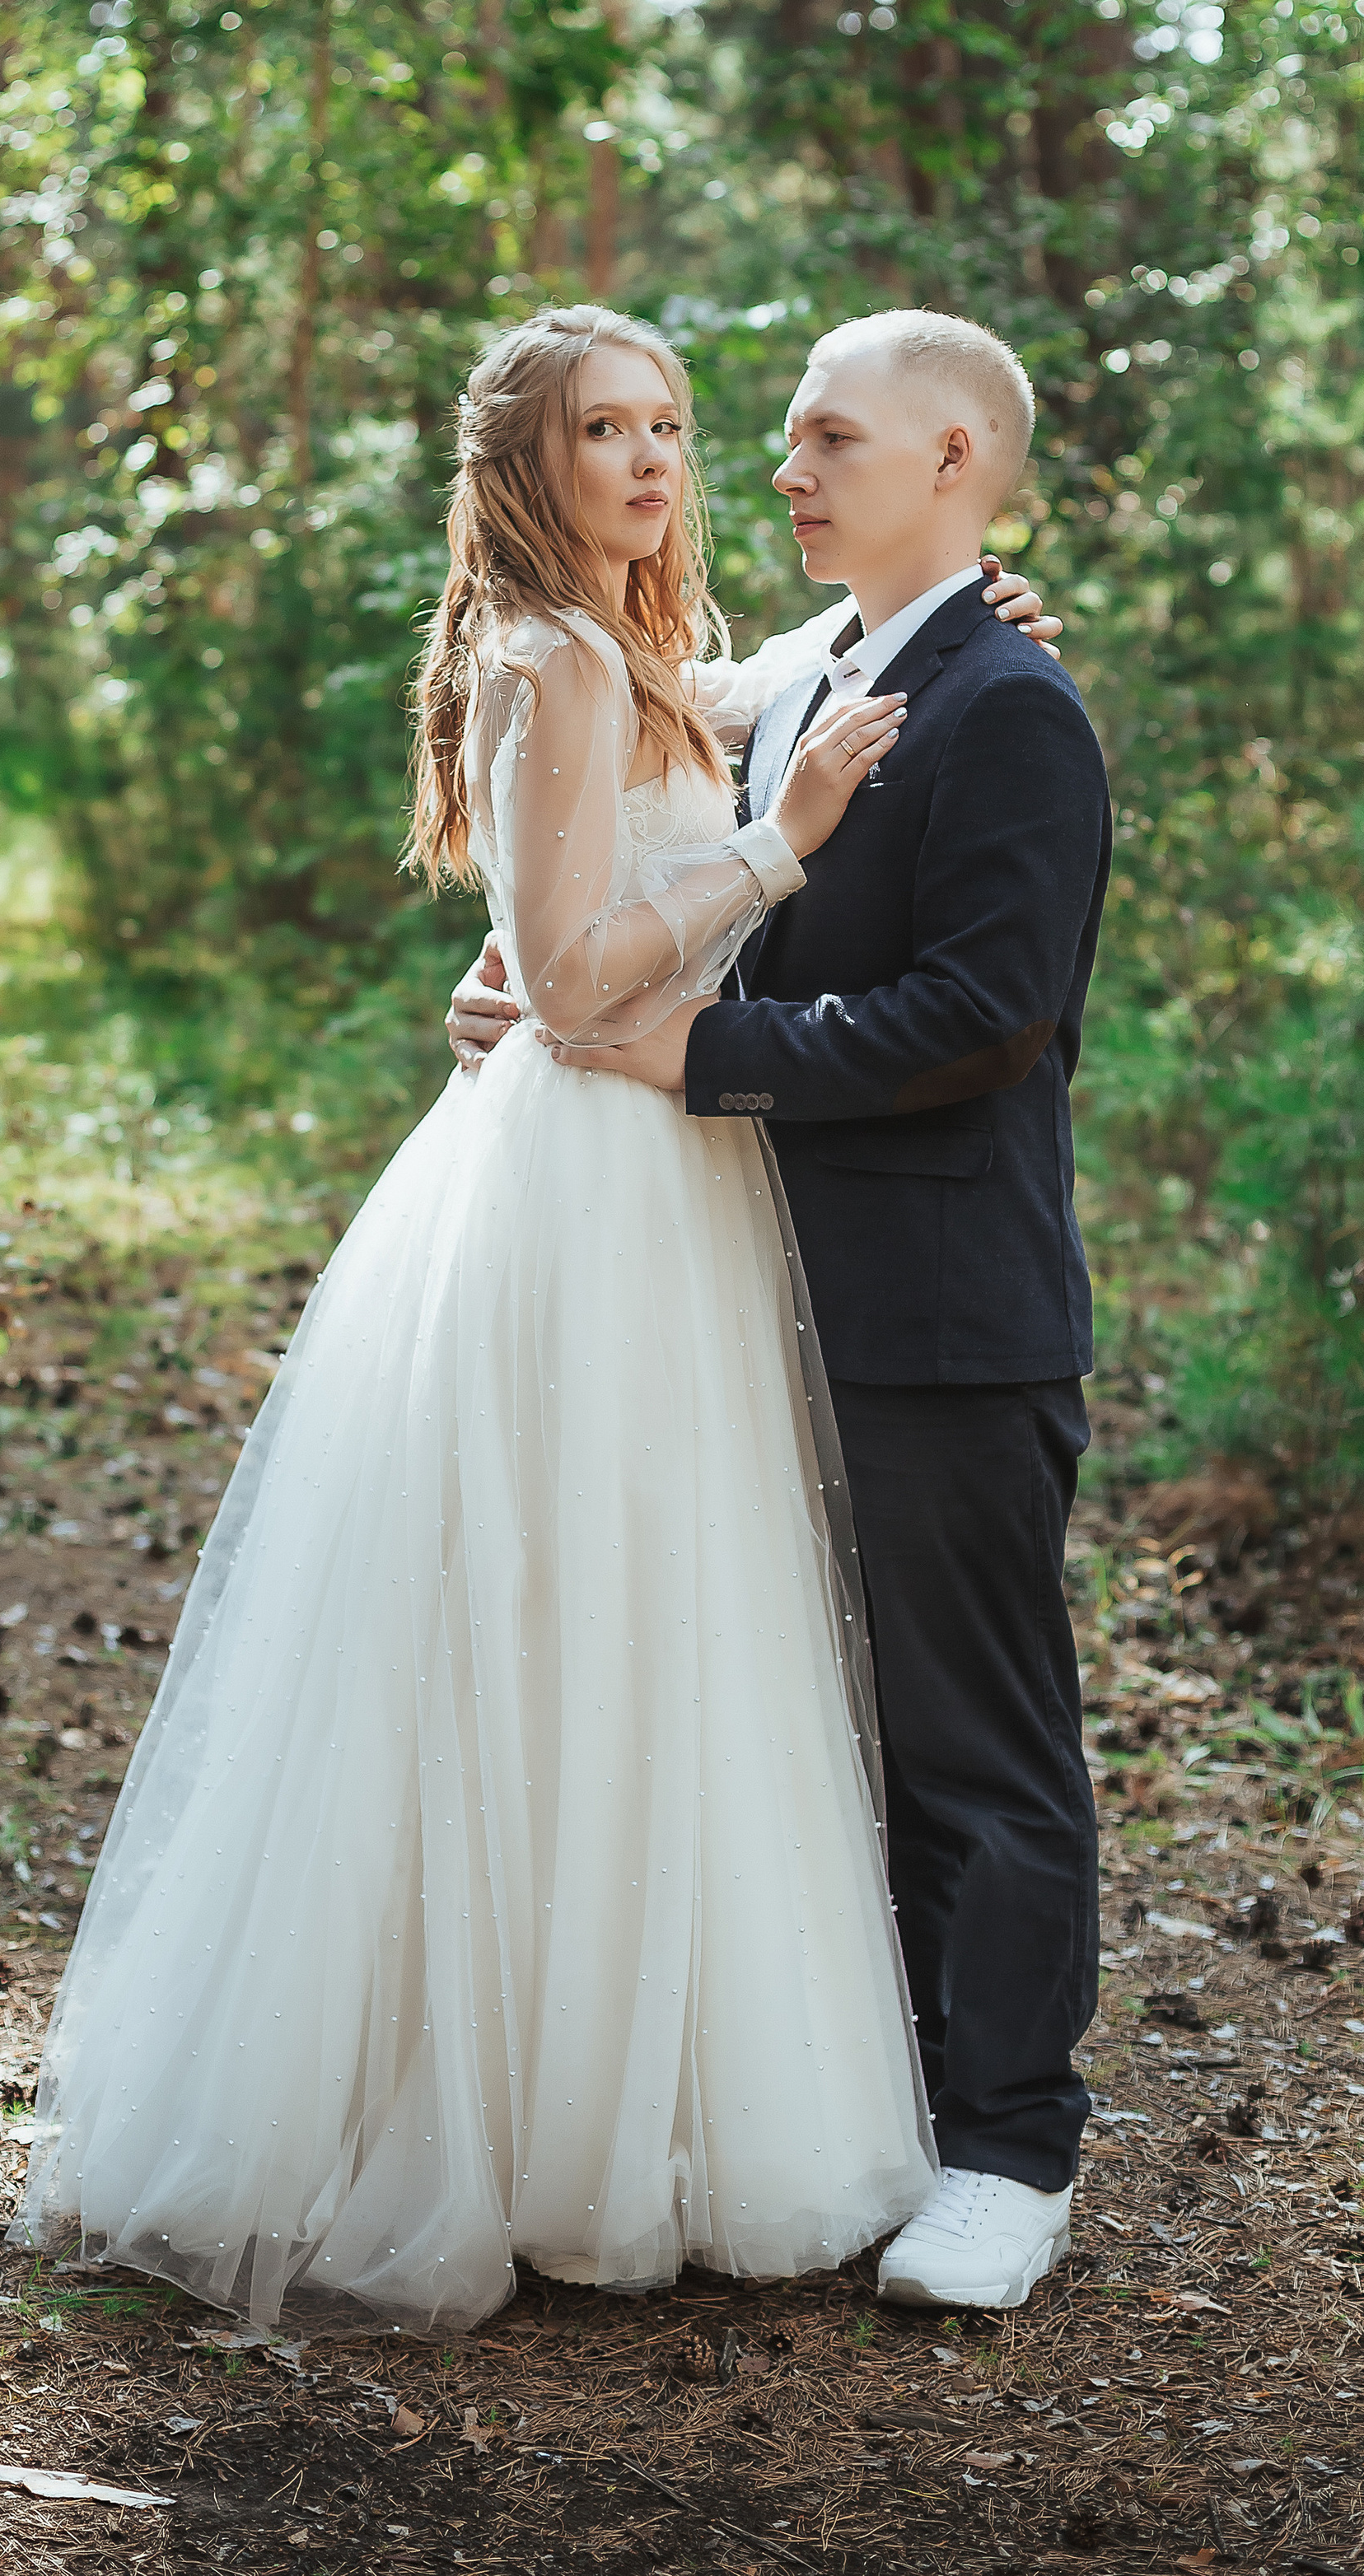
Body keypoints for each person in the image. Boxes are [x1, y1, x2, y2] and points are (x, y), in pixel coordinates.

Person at [12, 302, 1060, 2337]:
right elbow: (576, 968)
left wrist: (955, 606)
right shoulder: (556, 654)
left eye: (680, 425)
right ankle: (522, 2111)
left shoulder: (711, 664)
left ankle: (742, 2112)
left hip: (685, 1190)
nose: (670, 464)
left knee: (674, 1623)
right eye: (614, 430)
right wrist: (744, 864)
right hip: (597, 1194)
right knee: (556, 1618)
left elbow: (803, 724)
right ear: (528, 463)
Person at [450, 307, 1111, 2312]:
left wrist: (689, 1055)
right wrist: (524, 990)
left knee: (970, 1742)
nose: (779, 467)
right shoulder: (791, 676)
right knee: (794, 1721)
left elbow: (978, 1021)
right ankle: (856, 2104)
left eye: (831, 438)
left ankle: (1009, 2153)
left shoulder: (1011, 710)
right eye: (784, 436)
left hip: (934, 1307)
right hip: (733, 1291)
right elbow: (593, 887)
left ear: (953, 468)